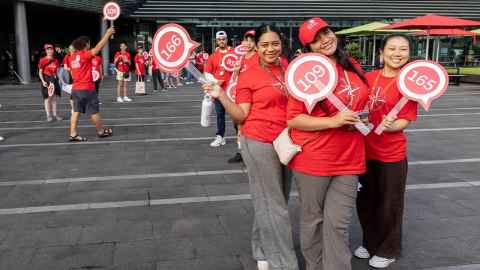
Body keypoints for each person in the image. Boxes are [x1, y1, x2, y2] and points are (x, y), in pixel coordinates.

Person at [203, 25, 299, 270]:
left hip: (286, 141)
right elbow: (240, 116)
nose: (270, 49)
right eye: (265, 44)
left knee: (273, 200)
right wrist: (221, 94)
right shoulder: (249, 73)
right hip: (258, 141)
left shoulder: (288, 67)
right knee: (275, 205)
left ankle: (260, 249)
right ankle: (284, 263)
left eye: (275, 43)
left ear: (281, 43)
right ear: (257, 46)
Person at [286, 17, 370, 270]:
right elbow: (294, 118)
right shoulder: (302, 72)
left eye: (327, 32)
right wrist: (333, 121)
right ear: (309, 46)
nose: (325, 40)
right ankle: (315, 266)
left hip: (350, 157)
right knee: (313, 220)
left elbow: (364, 98)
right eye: (316, 38)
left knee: (339, 223)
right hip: (314, 159)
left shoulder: (351, 64)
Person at [355, 34, 417, 269]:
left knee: (389, 203)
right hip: (362, 151)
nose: (397, 53)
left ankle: (388, 249)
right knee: (365, 201)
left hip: (391, 154)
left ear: (409, 54)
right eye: (392, 48)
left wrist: (393, 125)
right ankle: (370, 242)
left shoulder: (409, 82)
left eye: (403, 49)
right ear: (381, 52)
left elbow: (406, 119)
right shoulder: (368, 78)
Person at [68, 28, 115, 142]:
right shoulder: (84, 55)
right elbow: (98, 47)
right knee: (94, 111)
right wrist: (107, 34)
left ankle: (73, 133)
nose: (90, 45)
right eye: (89, 43)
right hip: (87, 88)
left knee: (76, 111)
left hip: (76, 89)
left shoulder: (72, 57)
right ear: (86, 44)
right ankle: (100, 131)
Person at [228, 29, 257, 163]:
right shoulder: (240, 59)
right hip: (239, 99)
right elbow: (234, 80)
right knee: (238, 126)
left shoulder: (260, 58)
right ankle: (241, 151)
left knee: (250, 127)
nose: (248, 43)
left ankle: (252, 153)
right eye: (246, 40)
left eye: (252, 40)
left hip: (254, 101)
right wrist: (235, 71)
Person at [204, 30, 234, 147]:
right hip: (218, 91)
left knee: (236, 115)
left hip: (232, 91)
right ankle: (220, 136)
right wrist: (217, 82)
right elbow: (207, 74)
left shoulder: (234, 53)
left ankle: (240, 137)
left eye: (223, 39)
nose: (221, 41)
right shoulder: (213, 56)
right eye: (219, 40)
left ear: (227, 40)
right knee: (220, 115)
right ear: (216, 41)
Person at [38, 44, 63, 122]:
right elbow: (40, 72)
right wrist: (43, 81)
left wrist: (60, 79)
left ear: (53, 50)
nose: (49, 51)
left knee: (54, 98)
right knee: (47, 99)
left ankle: (55, 115)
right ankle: (48, 115)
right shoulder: (42, 60)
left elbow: (58, 71)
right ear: (46, 51)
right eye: (48, 49)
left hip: (54, 80)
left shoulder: (56, 60)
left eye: (51, 49)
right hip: (46, 80)